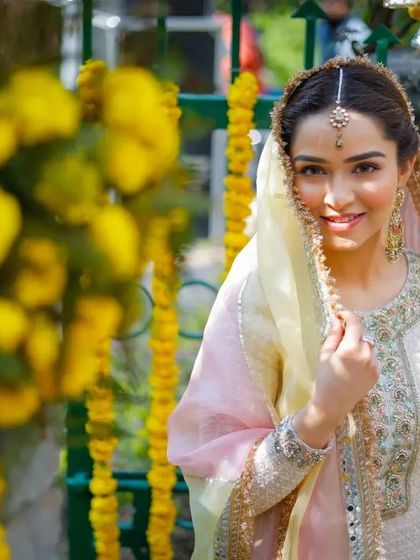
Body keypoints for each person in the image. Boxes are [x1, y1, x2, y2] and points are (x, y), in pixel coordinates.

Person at [168, 56, 420, 559]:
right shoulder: (261, 295)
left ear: (406, 166)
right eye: (313, 171)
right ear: (287, 172)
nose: (337, 196)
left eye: (365, 167)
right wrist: (321, 413)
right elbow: (221, 493)